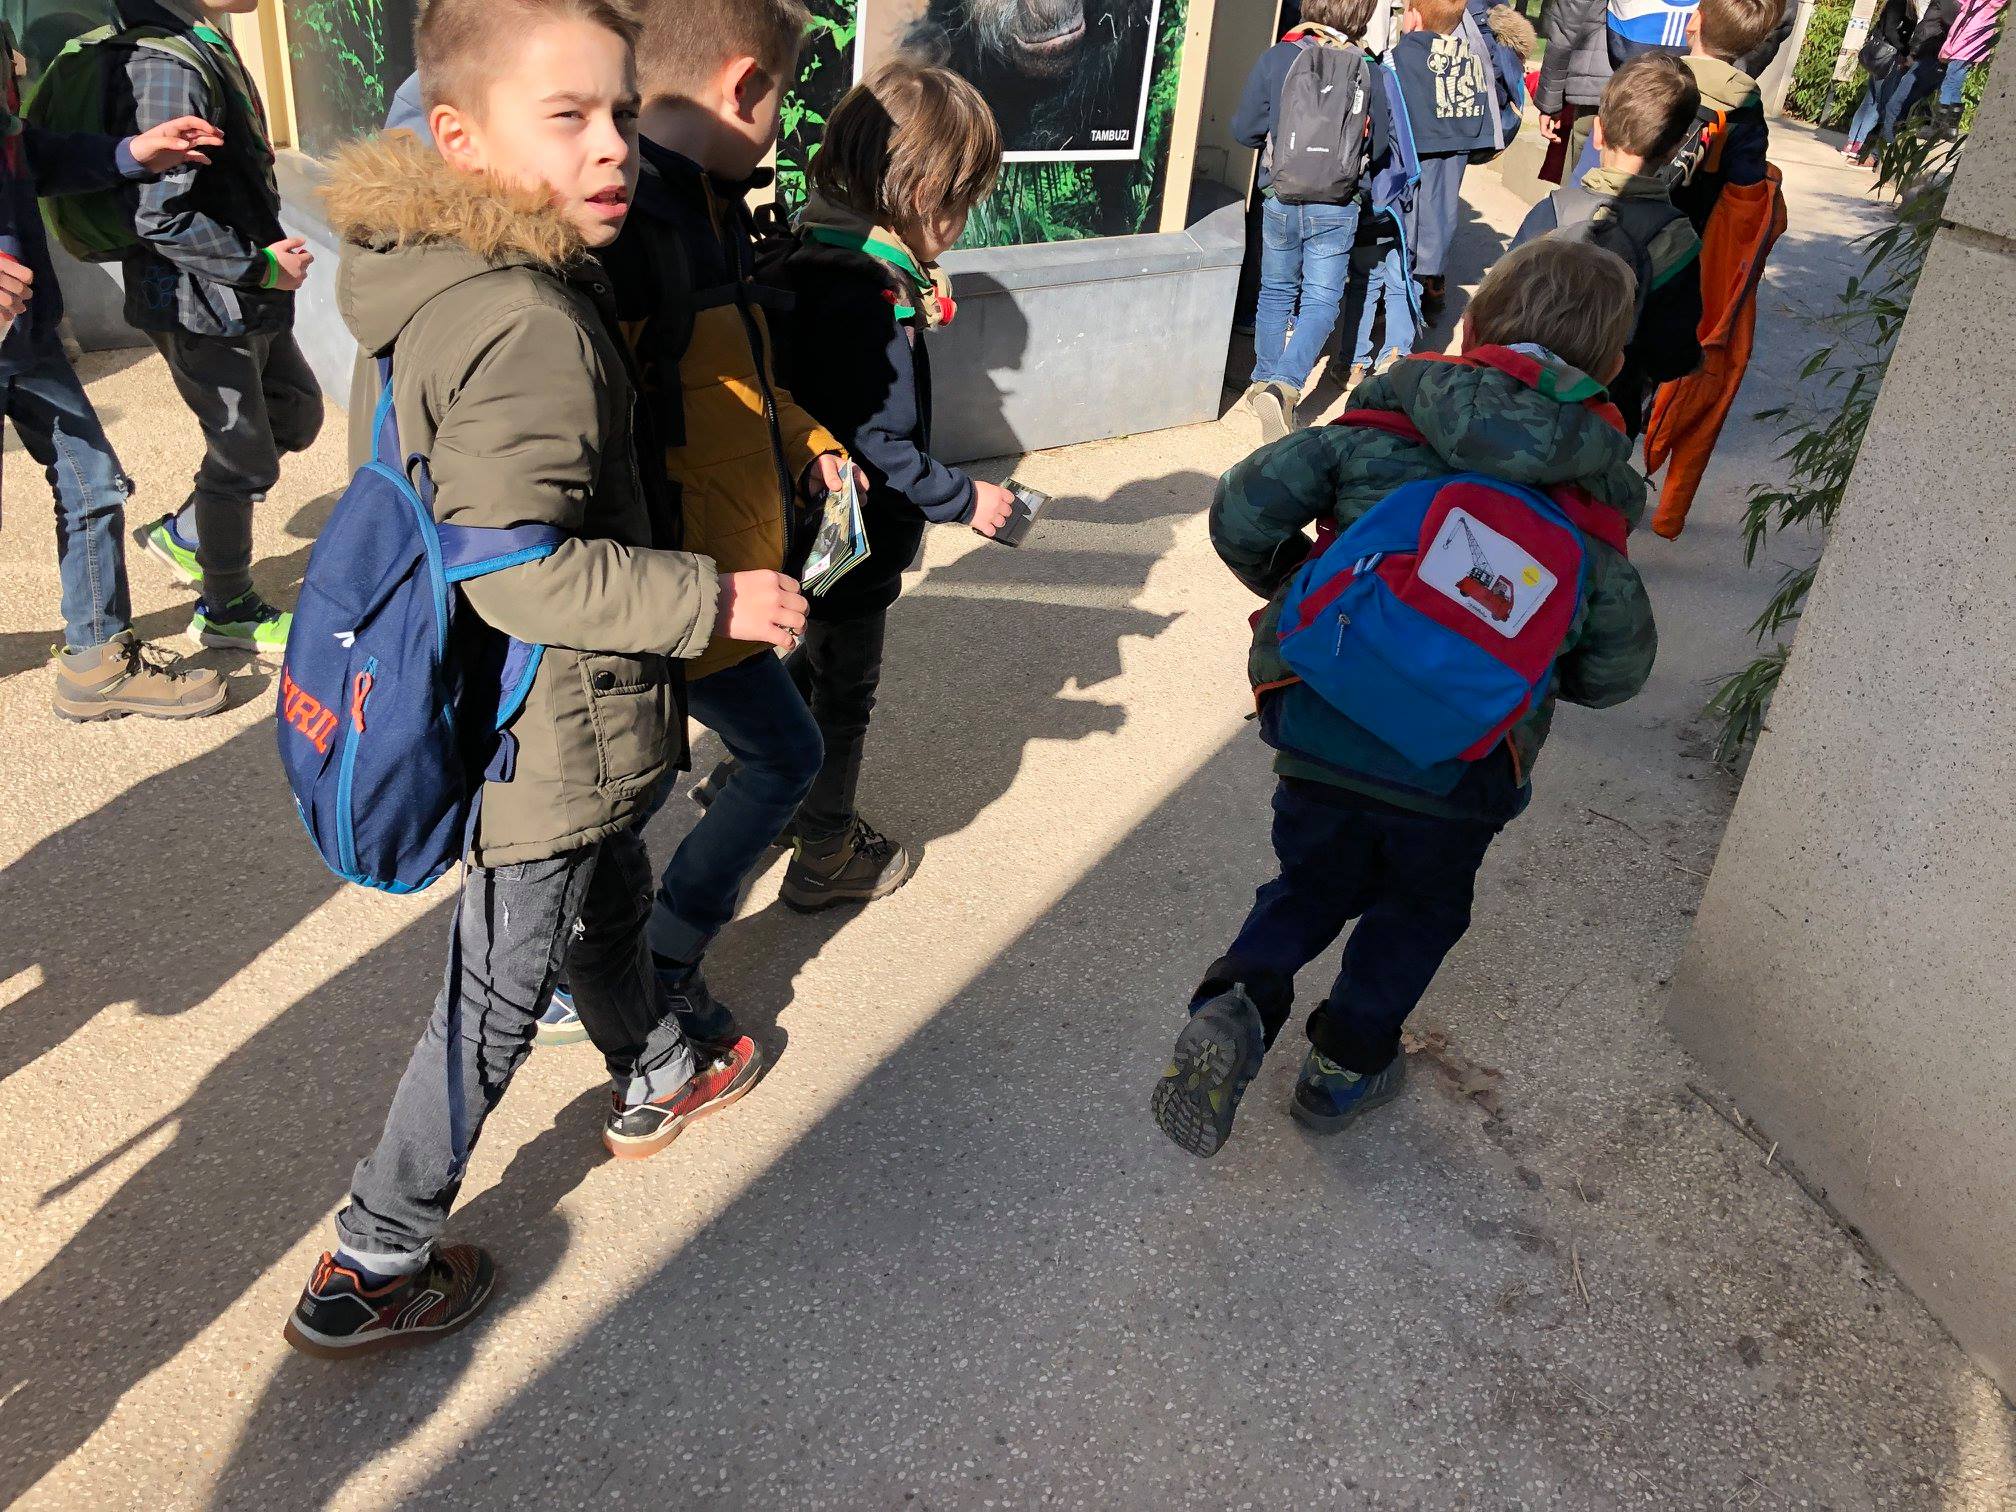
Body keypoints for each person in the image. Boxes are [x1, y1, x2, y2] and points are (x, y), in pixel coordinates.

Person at [285, 0, 793, 1357]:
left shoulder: (439, 267)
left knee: (608, 889)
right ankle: (374, 1257)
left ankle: (659, 1067)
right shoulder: (527, 321)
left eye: (619, 111)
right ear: (459, 137)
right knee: (494, 997)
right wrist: (714, 598)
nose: (614, 145)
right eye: (568, 117)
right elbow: (511, 568)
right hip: (542, 722)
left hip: (550, 717)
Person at [1151, 238, 1657, 1158]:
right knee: (1419, 910)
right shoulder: (1596, 499)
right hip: (1467, 760)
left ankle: (1239, 999)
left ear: (1474, 325)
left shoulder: (1385, 422)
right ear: (1613, 366)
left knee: (1312, 881)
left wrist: (1297, 591)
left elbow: (1243, 511)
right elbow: (1615, 672)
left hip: (1324, 714)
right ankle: (1344, 1068)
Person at [559, 0, 854, 1054]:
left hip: (712, 578)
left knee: (659, 787)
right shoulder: (633, 223)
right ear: (743, 86)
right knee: (754, 761)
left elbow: (738, 383)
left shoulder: (710, 203)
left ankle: (608, 956)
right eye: (782, 97)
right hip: (679, 589)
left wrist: (809, 439)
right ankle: (652, 957)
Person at [758, 63, 1016, 909]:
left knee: (810, 654)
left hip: (802, 523)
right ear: (921, 194)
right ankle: (826, 852)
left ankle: (758, 778)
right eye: (962, 201)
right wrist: (966, 499)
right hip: (854, 540)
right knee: (845, 694)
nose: (962, 222)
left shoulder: (817, 248)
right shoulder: (866, 297)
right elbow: (883, 443)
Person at [0, 17, 227, 719]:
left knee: (92, 483)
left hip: (25, 340)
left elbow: (37, 154)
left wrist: (136, 151)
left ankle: (97, 658)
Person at [104, 1, 322, 654]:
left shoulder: (201, 42)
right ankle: (227, 607)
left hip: (244, 298)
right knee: (241, 455)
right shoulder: (164, 67)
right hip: (199, 302)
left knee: (295, 412)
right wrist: (259, 267)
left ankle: (186, 534)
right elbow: (160, 216)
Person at [1512, 54, 1703, 437]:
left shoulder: (1551, 211)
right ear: (1675, 149)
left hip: (1521, 397)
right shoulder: (1675, 239)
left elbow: (1496, 306)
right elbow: (1671, 355)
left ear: (1598, 132)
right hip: (1607, 417)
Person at [1232, 0, 1394, 439]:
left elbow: (1244, 130)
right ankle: (1285, 386)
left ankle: (1263, 381)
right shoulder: (1370, 69)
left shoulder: (1279, 56)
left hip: (1280, 196)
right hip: (1338, 205)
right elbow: (1380, 147)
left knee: (1275, 291)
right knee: (1322, 301)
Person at [1392, 0, 1495, 324]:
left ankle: (1402, 310)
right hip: (1456, 148)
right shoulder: (1469, 58)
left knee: (1407, 229)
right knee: (1439, 221)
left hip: (1414, 152)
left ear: (1414, 17)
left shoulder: (1402, 57)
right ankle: (1427, 289)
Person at [1671, 0, 1779, 232]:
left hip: (1632, 223)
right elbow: (1746, 185)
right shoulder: (1748, 108)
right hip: (1694, 233)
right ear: (1753, 45)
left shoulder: (1657, 76)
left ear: (1694, 21)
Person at [1845, 0, 1953, 159]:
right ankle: (1860, 145)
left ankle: (1852, 143)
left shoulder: (1909, 4)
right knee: (1881, 104)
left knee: (1870, 100)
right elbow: (1891, 30)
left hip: (1881, 57)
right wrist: (1905, 52)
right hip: (1888, 57)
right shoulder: (1901, 2)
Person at [1933, 0, 2005, 139]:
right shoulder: (1987, 6)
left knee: (1948, 85)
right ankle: (1951, 128)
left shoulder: (1979, 5)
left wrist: (1949, 49)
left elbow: (1963, 28)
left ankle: (1938, 126)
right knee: (1955, 87)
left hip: (1963, 49)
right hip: (1969, 51)